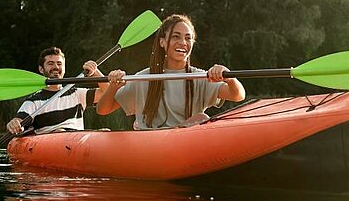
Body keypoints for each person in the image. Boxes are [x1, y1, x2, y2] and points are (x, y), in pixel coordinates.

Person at [96, 14, 245, 129]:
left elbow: (237, 95)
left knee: (202, 117)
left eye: (188, 38)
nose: (183, 43)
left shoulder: (200, 77)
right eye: (176, 36)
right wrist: (114, 86)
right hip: (148, 148)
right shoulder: (142, 78)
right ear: (162, 42)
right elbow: (103, 109)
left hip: (186, 146)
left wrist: (228, 77)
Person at [6, 47, 108, 135]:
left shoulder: (77, 94)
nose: (56, 67)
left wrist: (95, 72)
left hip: (78, 140)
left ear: (64, 68)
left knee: (105, 131)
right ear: (41, 69)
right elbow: (19, 120)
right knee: (59, 130)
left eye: (59, 64)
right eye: (51, 63)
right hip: (52, 143)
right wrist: (14, 123)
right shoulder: (34, 101)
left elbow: (108, 93)